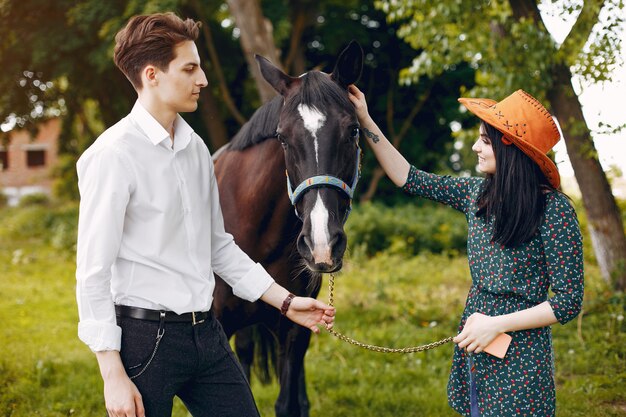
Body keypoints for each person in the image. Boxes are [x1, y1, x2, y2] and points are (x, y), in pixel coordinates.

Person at [76, 12, 335, 417]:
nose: (203, 80)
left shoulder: (195, 146)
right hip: (146, 342)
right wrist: (112, 373)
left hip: (206, 333)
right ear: (152, 75)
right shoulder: (112, 156)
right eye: (190, 68)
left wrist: (285, 302)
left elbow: (218, 247)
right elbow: (93, 272)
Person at [348, 85, 584, 417]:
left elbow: (568, 300)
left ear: (510, 149)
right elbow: (409, 178)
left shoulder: (554, 211)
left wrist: (497, 324)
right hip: (477, 338)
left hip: (522, 353)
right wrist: (364, 118)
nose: (475, 147)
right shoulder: (475, 194)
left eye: (484, 141)